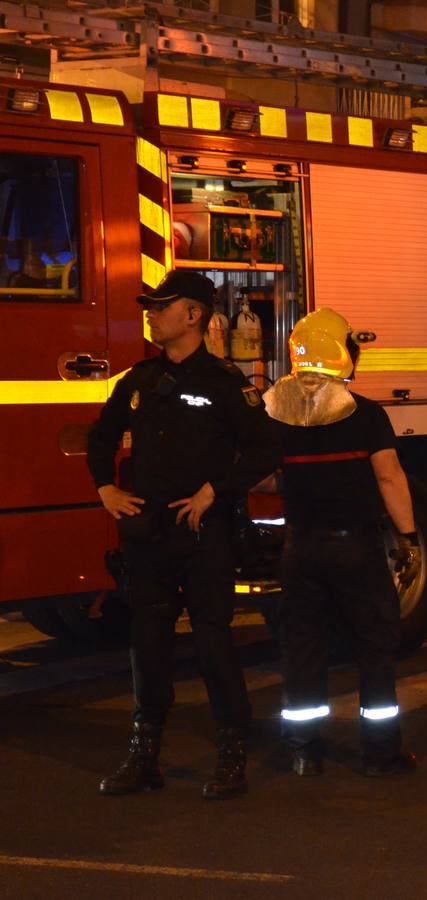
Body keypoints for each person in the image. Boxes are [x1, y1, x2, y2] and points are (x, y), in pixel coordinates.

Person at [87, 269, 278, 800]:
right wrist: (105, 488)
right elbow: (100, 438)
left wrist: (215, 491)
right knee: (147, 645)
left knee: (214, 642)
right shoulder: (138, 381)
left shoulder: (224, 384)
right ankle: (144, 756)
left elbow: (266, 450)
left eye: (160, 305)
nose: (150, 313)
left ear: (192, 314)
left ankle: (230, 755)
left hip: (205, 537)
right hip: (148, 538)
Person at [263, 308, 422, 777]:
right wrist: (408, 539)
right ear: (343, 354)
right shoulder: (367, 416)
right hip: (356, 550)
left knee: (304, 650)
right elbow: (390, 478)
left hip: (300, 550)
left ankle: (303, 751)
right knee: (374, 648)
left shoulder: (274, 416)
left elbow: (265, 479)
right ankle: (380, 753)